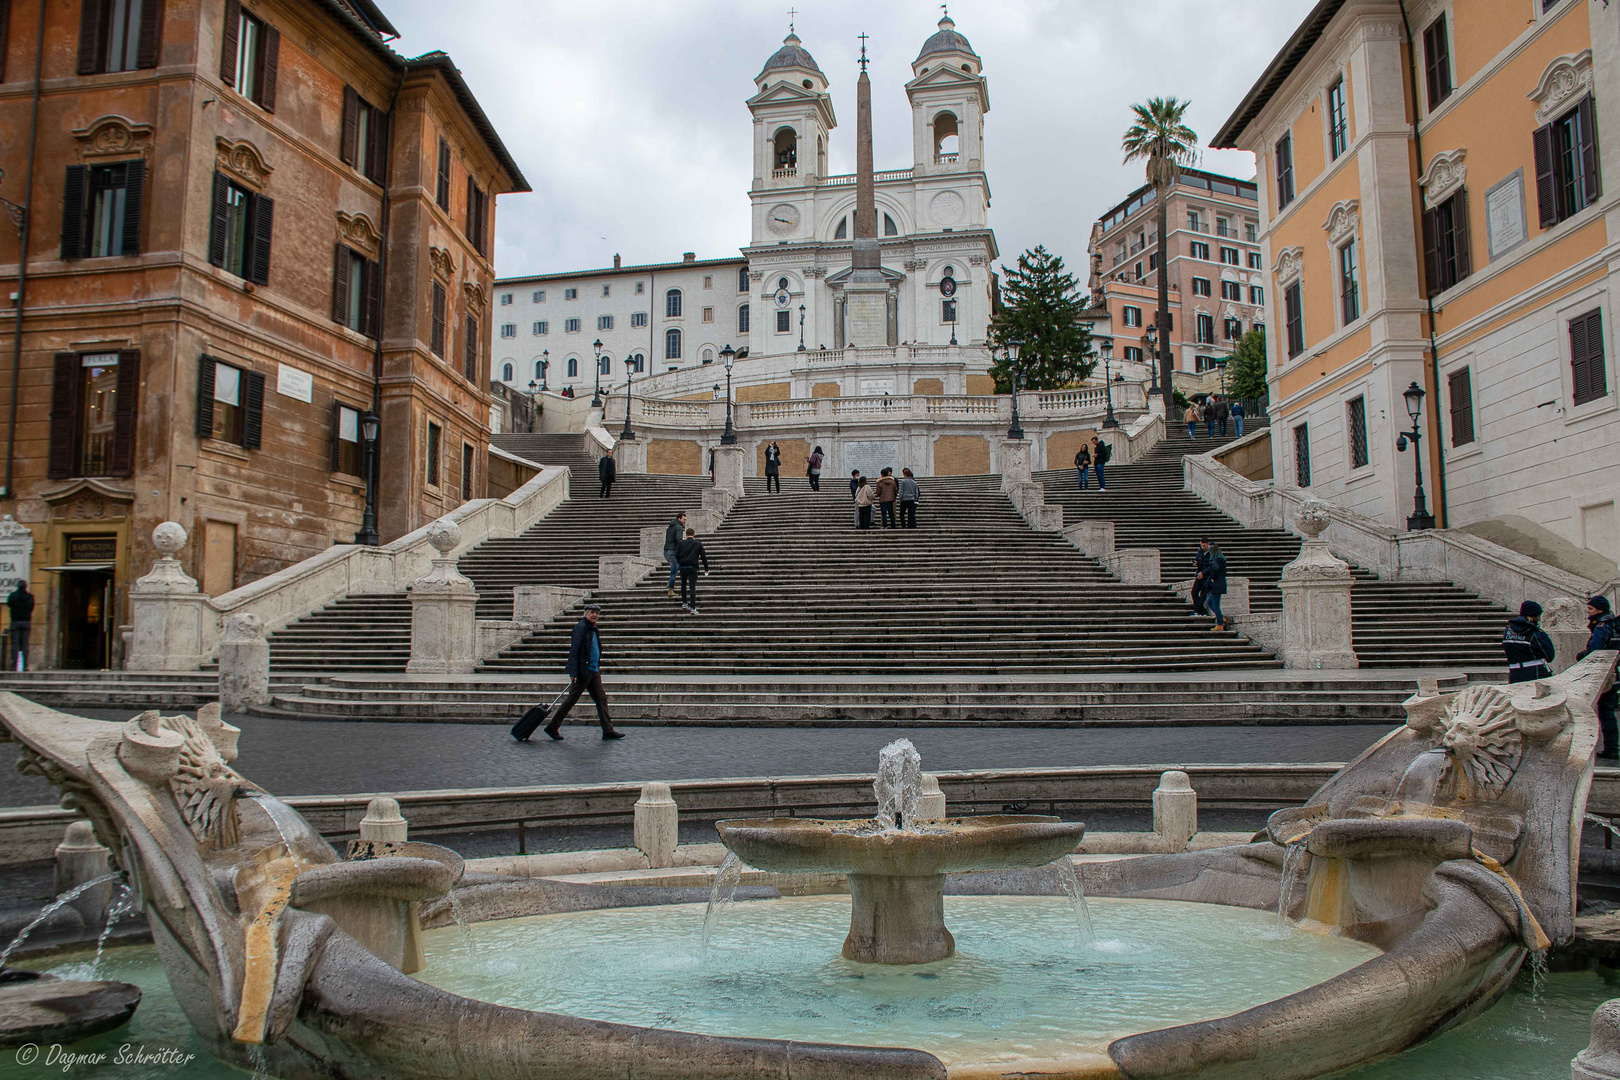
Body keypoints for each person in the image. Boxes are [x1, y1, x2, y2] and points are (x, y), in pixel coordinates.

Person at [543, 605, 623, 740]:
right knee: (571, 700)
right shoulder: (581, 627)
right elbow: (574, 650)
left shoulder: (593, 628)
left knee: (601, 699)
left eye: (597, 613)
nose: (594, 615)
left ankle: (608, 730)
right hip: (583, 671)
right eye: (592, 612)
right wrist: (573, 672)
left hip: (593, 671)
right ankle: (552, 727)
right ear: (586, 613)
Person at [1579, 596, 1620, 760]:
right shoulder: (1615, 626)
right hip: (1613, 673)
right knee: (1608, 712)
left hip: (1602, 674)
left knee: (1604, 713)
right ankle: (1612, 747)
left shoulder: (1602, 626)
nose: (1588, 613)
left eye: (1590, 609)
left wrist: (1581, 654)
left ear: (1600, 610)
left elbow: (1595, 650)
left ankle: (1610, 748)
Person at [1502, 601, 1555, 683]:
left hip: (1514, 673)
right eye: (1538, 616)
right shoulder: (1535, 633)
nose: (1539, 619)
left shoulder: (1508, 631)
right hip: (1536, 672)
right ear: (1534, 616)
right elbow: (1549, 655)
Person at [675, 527, 710, 614]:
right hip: (692, 567)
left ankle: (684, 602)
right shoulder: (698, 543)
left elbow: (676, 555)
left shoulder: (681, 543)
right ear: (693, 534)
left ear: (686, 535)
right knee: (692, 587)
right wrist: (706, 569)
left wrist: (680, 562)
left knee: (683, 584)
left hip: (683, 567)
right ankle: (693, 607)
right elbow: (703, 557)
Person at [1196, 538, 1228, 630]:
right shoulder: (1221, 558)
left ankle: (1220, 624)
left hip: (1216, 584)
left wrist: (1210, 576)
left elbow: (1214, 569)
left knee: (1215, 604)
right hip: (1220, 583)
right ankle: (1220, 617)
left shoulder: (1215, 559)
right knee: (1210, 602)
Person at [6, 582, 32, 673]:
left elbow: (9, 605)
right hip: (26, 621)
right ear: (26, 586)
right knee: (25, 644)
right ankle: (25, 665)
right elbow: (31, 607)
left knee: (15, 644)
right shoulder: (29, 597)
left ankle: (14, 665)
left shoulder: (12, 596)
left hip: (15, 621)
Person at [662, 511, 686, 598]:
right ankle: (670, 590)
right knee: (673, 571)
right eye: (684, 519)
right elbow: (678, 539)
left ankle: (670, 583)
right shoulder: (679, 527)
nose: (685, 521)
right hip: (673, 551)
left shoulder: (670, 527)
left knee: (678, 566)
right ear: (679, 519)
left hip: (666, 551)